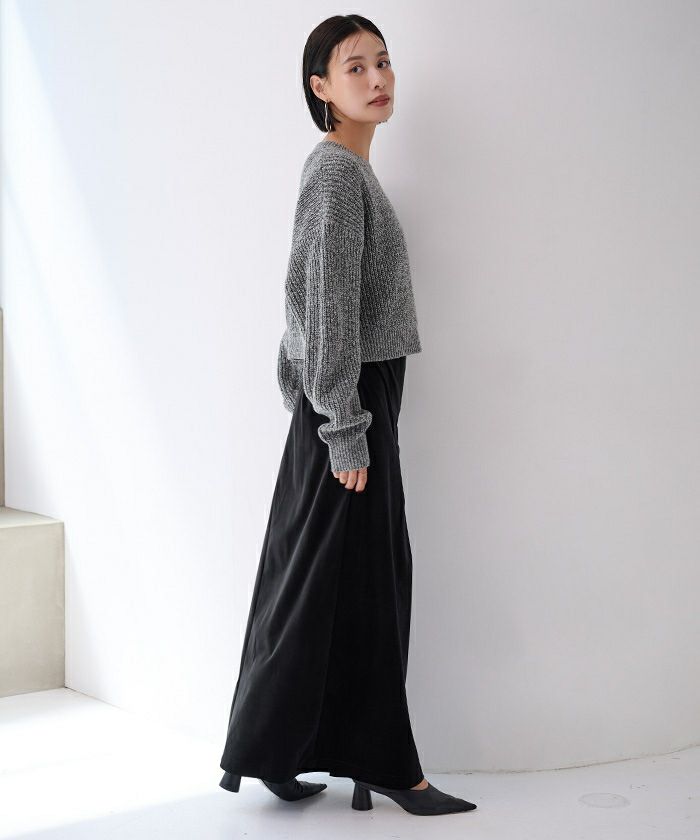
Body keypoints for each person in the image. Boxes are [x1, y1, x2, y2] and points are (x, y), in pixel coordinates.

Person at [218, 14, 477, 817]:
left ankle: (272, 750)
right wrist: (342, 426)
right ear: (321, 87)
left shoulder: (350, 173)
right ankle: (392, 769)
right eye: (355, 66)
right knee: (365, 585)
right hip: (349, 404)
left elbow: (309, 300)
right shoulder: (336, 173)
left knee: (316, 580)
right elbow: (325, 305)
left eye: (384, 62)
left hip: (343, 398)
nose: (377, 78)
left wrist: (325, 406)